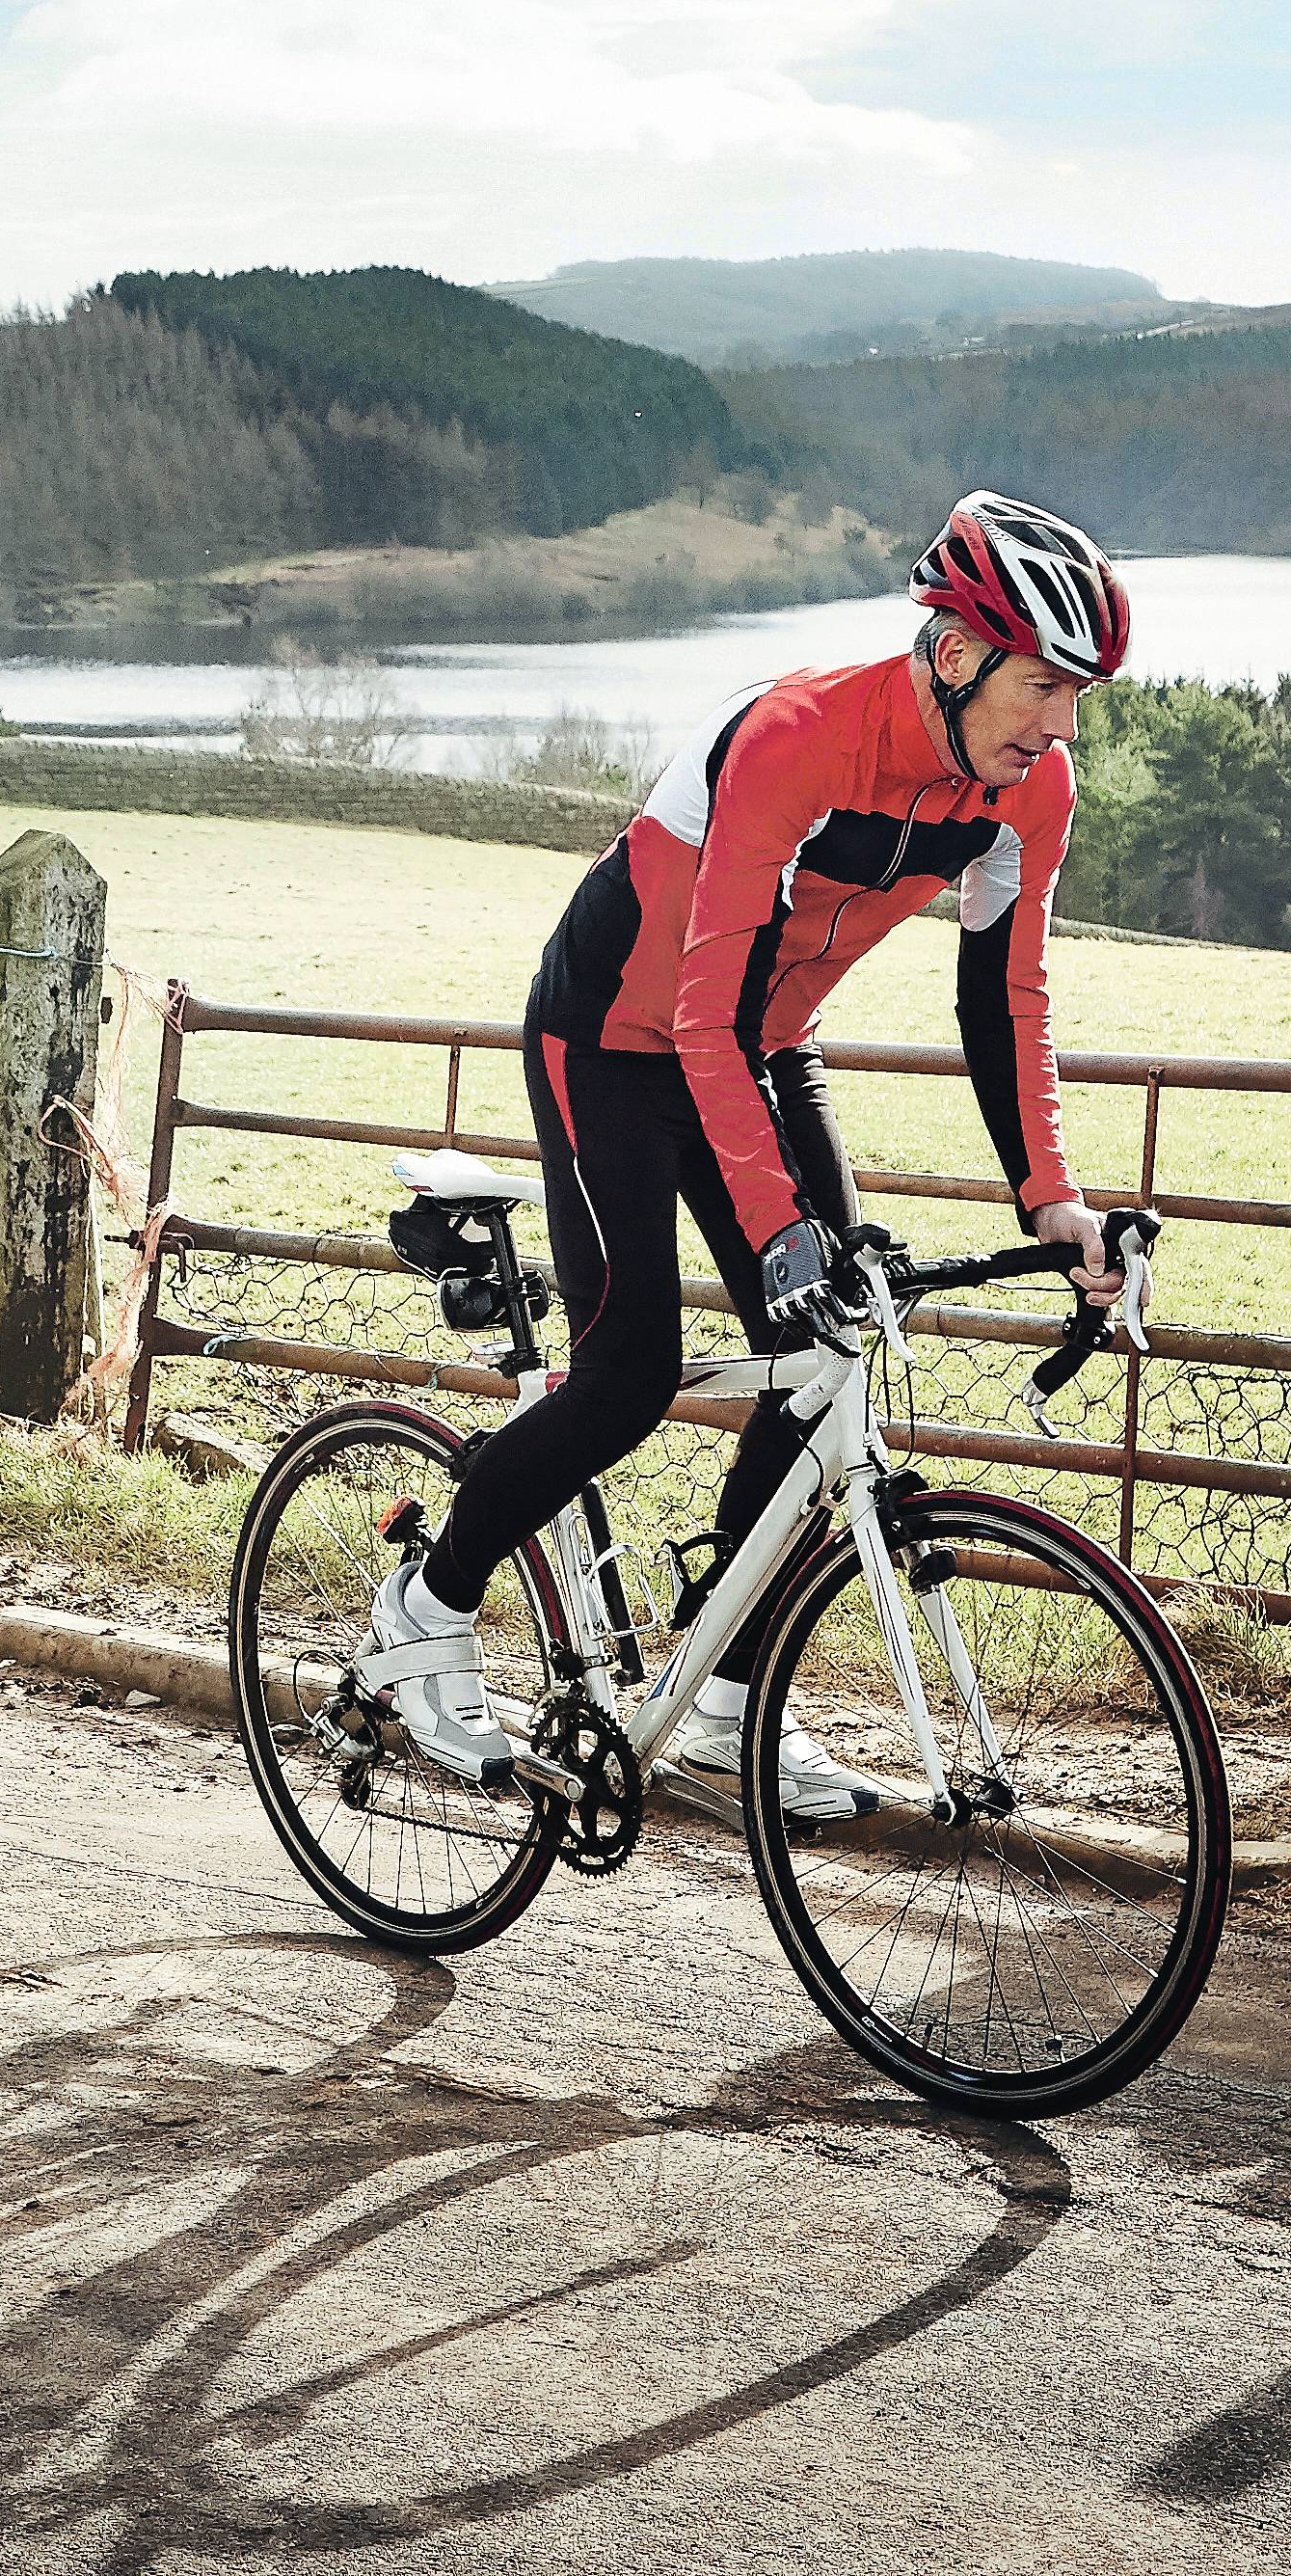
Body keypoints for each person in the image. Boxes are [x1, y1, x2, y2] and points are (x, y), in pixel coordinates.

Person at [357, 491, 1134, 1814]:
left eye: (1078, 696)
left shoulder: (1027, 792)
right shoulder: (795, 740)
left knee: (829, 1348)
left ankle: (722, 1697)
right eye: (1045, 688)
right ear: (955, 657)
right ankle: (423, 1609)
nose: (1062, 726)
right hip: (612, 1035)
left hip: (761, 1043)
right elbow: (696, 1013)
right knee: (628, 1372)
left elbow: (1004, 997)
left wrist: (1053, 1199)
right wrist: (776, 1234)